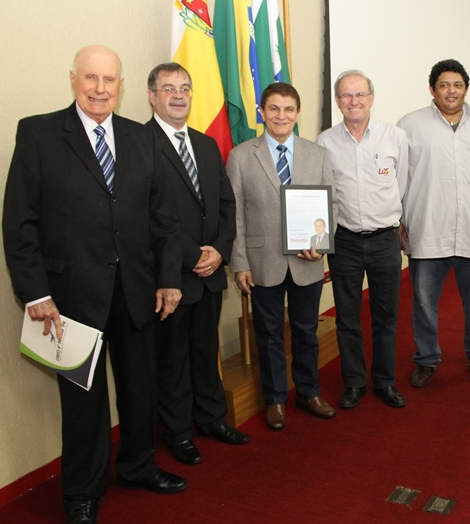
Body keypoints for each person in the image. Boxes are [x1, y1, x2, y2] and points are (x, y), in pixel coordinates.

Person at [2, 46, 187, 524]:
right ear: (73, 79)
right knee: (83, 403)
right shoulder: (39, 134)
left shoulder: (141, 138)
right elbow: (20, 222)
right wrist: (35, 292)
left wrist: (169, 279)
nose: (100, 89)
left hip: (137, 290)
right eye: (91, 78)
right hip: (71, 298)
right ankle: (82, 492)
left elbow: (163, 218)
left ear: (121, 86)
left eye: (109, 80)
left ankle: (138, 466)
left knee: (140, 388)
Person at [145, 62, 248, 466]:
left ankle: (212, 419)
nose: (178, 96)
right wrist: (194, 256)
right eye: (168, 88)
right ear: (152, 96)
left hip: (210, 273)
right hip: (171, 276)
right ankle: (178, 433)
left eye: (185, 88)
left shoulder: (205, 145)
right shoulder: (140, 144)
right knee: (173, 360)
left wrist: (220, 250)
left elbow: (226, 204)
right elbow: (148, 216)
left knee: (206, 352)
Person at [227, 82, 338, 430]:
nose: (281, 116)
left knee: (306, 332)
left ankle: (308, 392)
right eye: (273, 108)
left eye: (289, 109)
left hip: (308, 260)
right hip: (263, 262)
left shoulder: (317, 154)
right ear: (261, 112)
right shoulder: (240, 156)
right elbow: (235, 215)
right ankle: (275, 398)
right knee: (269, 334)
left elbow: (331, 206)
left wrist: (321, 244)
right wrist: (240, 263)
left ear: (298, 113)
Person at [397, 59, 470, 388]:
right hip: (427, 227)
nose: (451, 91)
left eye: (457, 85)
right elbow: (397, 177)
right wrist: (399, 218)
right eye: (444, 85)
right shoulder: (409, 125)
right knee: (423, 302)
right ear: (432, 89)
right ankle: (426, 359)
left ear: (466, 89)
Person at [317, 70, 409, 409]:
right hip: (344, 242)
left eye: (360, 94)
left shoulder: (395, 137)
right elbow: (323, 193)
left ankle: (385, 382)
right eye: (346, 95)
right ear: (337, 101)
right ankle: (354, 382)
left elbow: (402, 185)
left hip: (385, 240)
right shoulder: (325, 141)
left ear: (371, 98)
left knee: (386, 317)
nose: (353, 101)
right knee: (347, 318)